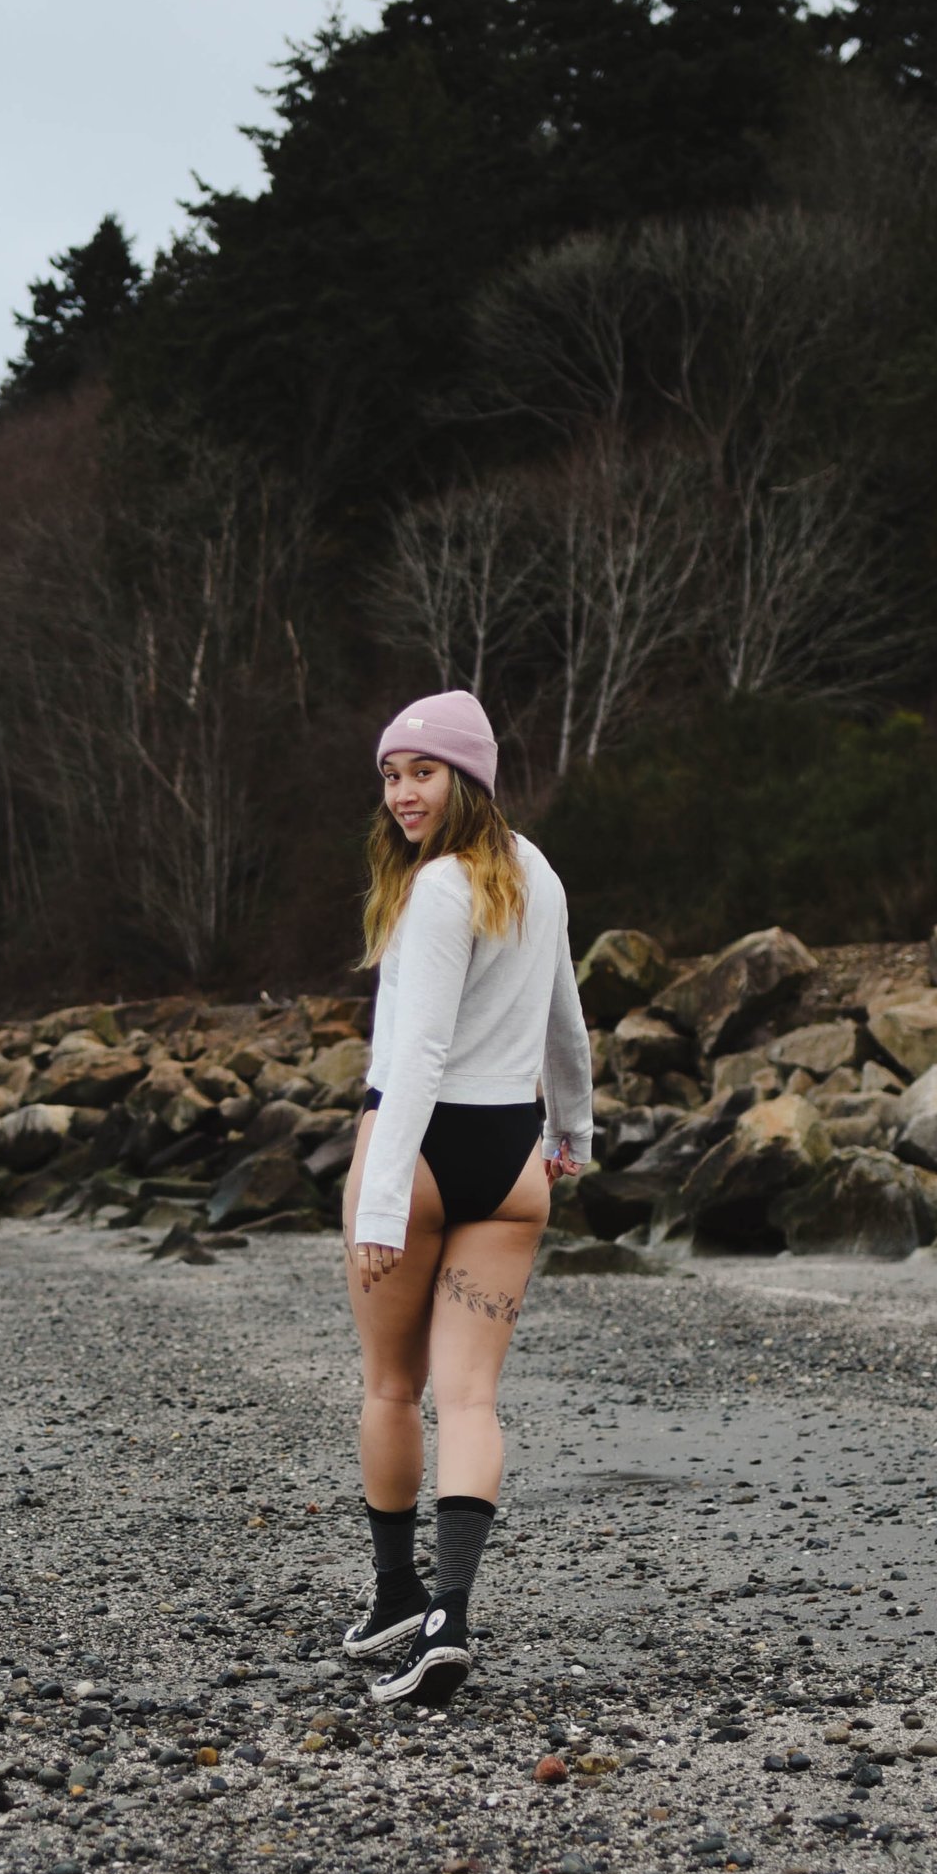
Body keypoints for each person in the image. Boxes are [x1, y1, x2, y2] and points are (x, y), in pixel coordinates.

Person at [341, 688, 594, 1707]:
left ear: (469, 777)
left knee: (391, 1388)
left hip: (419, 1151)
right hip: (510, 1157)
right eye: (391, 775)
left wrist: (378, 1204)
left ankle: (396, 1591)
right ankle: (444, 1613)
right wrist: (572, 1133)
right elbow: (565, 1020)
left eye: (423, 772)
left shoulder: (439, 886)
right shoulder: (539, 871)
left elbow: (418, 1053)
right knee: (472, 1397)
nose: (402, 793)